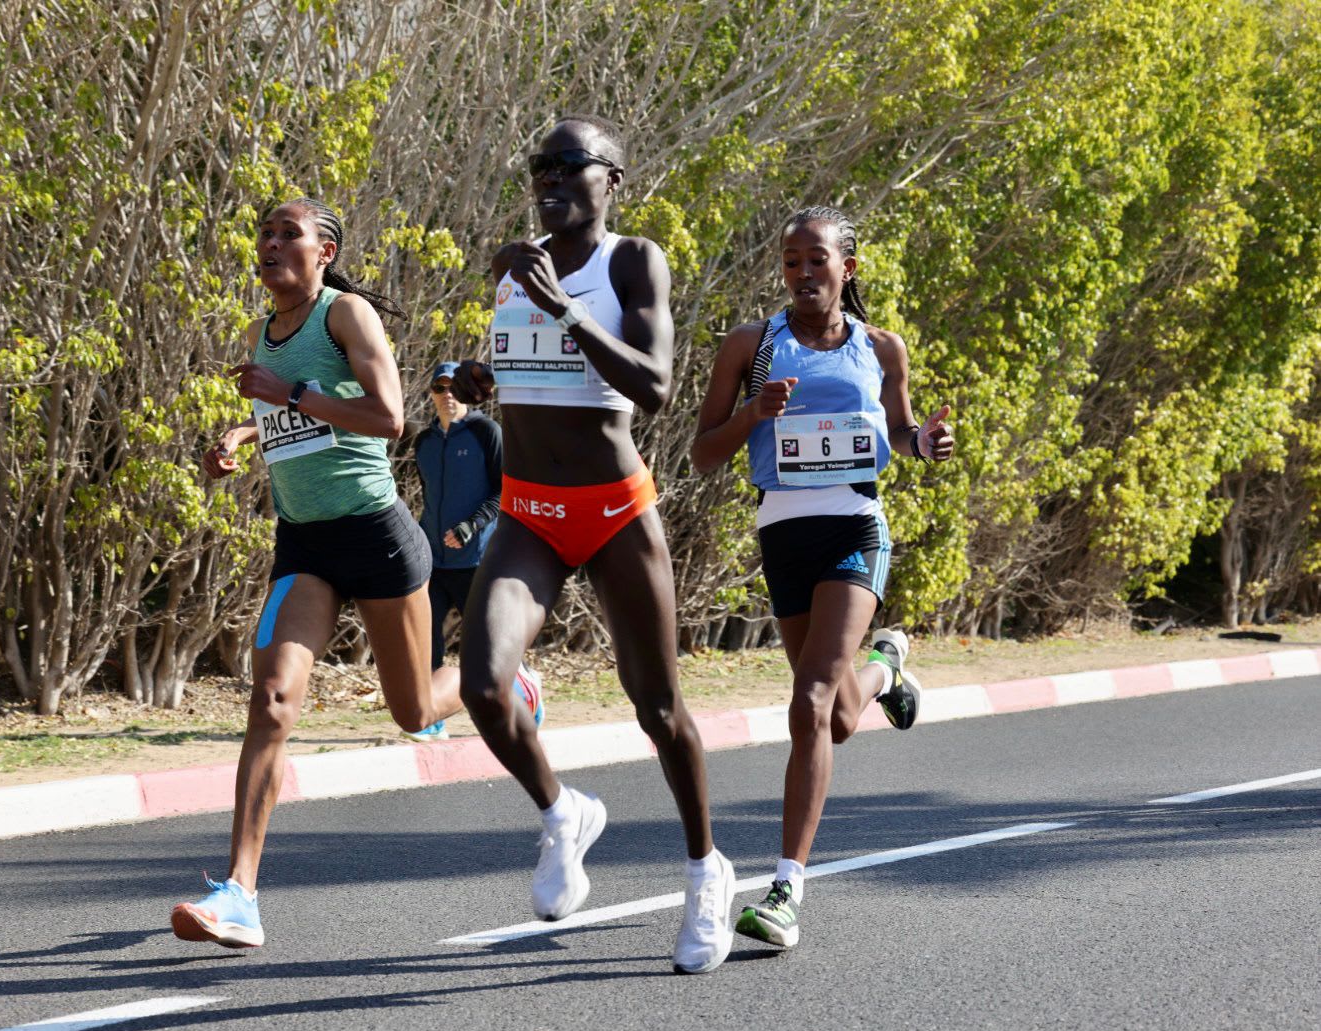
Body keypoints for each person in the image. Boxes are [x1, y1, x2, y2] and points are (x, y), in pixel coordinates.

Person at [451, 115, 736, 975]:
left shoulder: (631, 262)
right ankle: (563, 811)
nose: (550, 176)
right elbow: (530, 367)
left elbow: (653, 386)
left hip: (614, 509)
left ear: (613, 179)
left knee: (657, 707)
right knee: (483, 685)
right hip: (530, 511)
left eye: (570, 164)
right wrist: (483, 379)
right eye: (540, 164)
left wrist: (563, 307)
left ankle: (705, 869)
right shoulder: (513, 266)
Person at [170, 197, 465, 950]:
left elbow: (389, 416)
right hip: (303, 544)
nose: (270, 245)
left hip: (375, 535)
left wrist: (285, 394)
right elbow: (291, 421)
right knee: (270, 702)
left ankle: (501, 674)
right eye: (264, 234)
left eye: (288, 235)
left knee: (413, 710)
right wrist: (239, 433)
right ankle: (239, 893)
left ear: (325, 251)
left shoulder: (347, 316)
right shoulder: (262, 332)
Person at [689, 205, 955, 951]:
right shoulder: (754, 347)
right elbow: (703, 454)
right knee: (835, 715)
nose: (803, 274)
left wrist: (926, 444)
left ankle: (785, 892)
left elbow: (901, 436)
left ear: (848, 268)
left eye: (817, 261)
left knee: (805, 704)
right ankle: (884, 669)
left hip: (855, 527)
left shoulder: (879, 347)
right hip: (784, 533)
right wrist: (751, 415)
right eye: (791, 263)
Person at [408, 363, 545, 742]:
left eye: (455, 387)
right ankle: (430, 718)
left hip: (478, 561)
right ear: (431, 393)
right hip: (433, 561)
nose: (447, 394)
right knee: (424, 639)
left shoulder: (487, 432)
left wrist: (471, 526)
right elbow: (429, 498)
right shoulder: (424, 443)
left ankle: (527, 694)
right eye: (440, 387)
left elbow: (505, 491)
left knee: (490, 644)